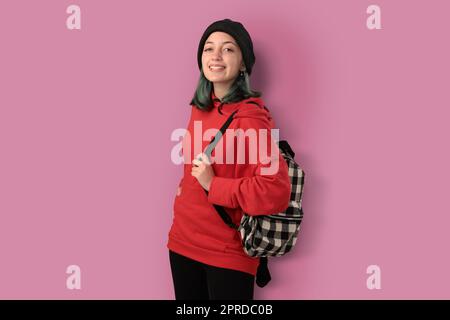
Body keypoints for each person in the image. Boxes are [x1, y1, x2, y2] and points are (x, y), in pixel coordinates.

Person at [167, 18, 291, 300]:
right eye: (209, 48)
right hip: (182, 242)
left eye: (228, 49)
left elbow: (277, 190)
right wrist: (186, 189)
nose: (216, 56)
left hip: (226, 252)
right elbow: (195, 166)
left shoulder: (252, 119)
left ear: (244, 63)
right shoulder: (200, 107)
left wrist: (214, 185)